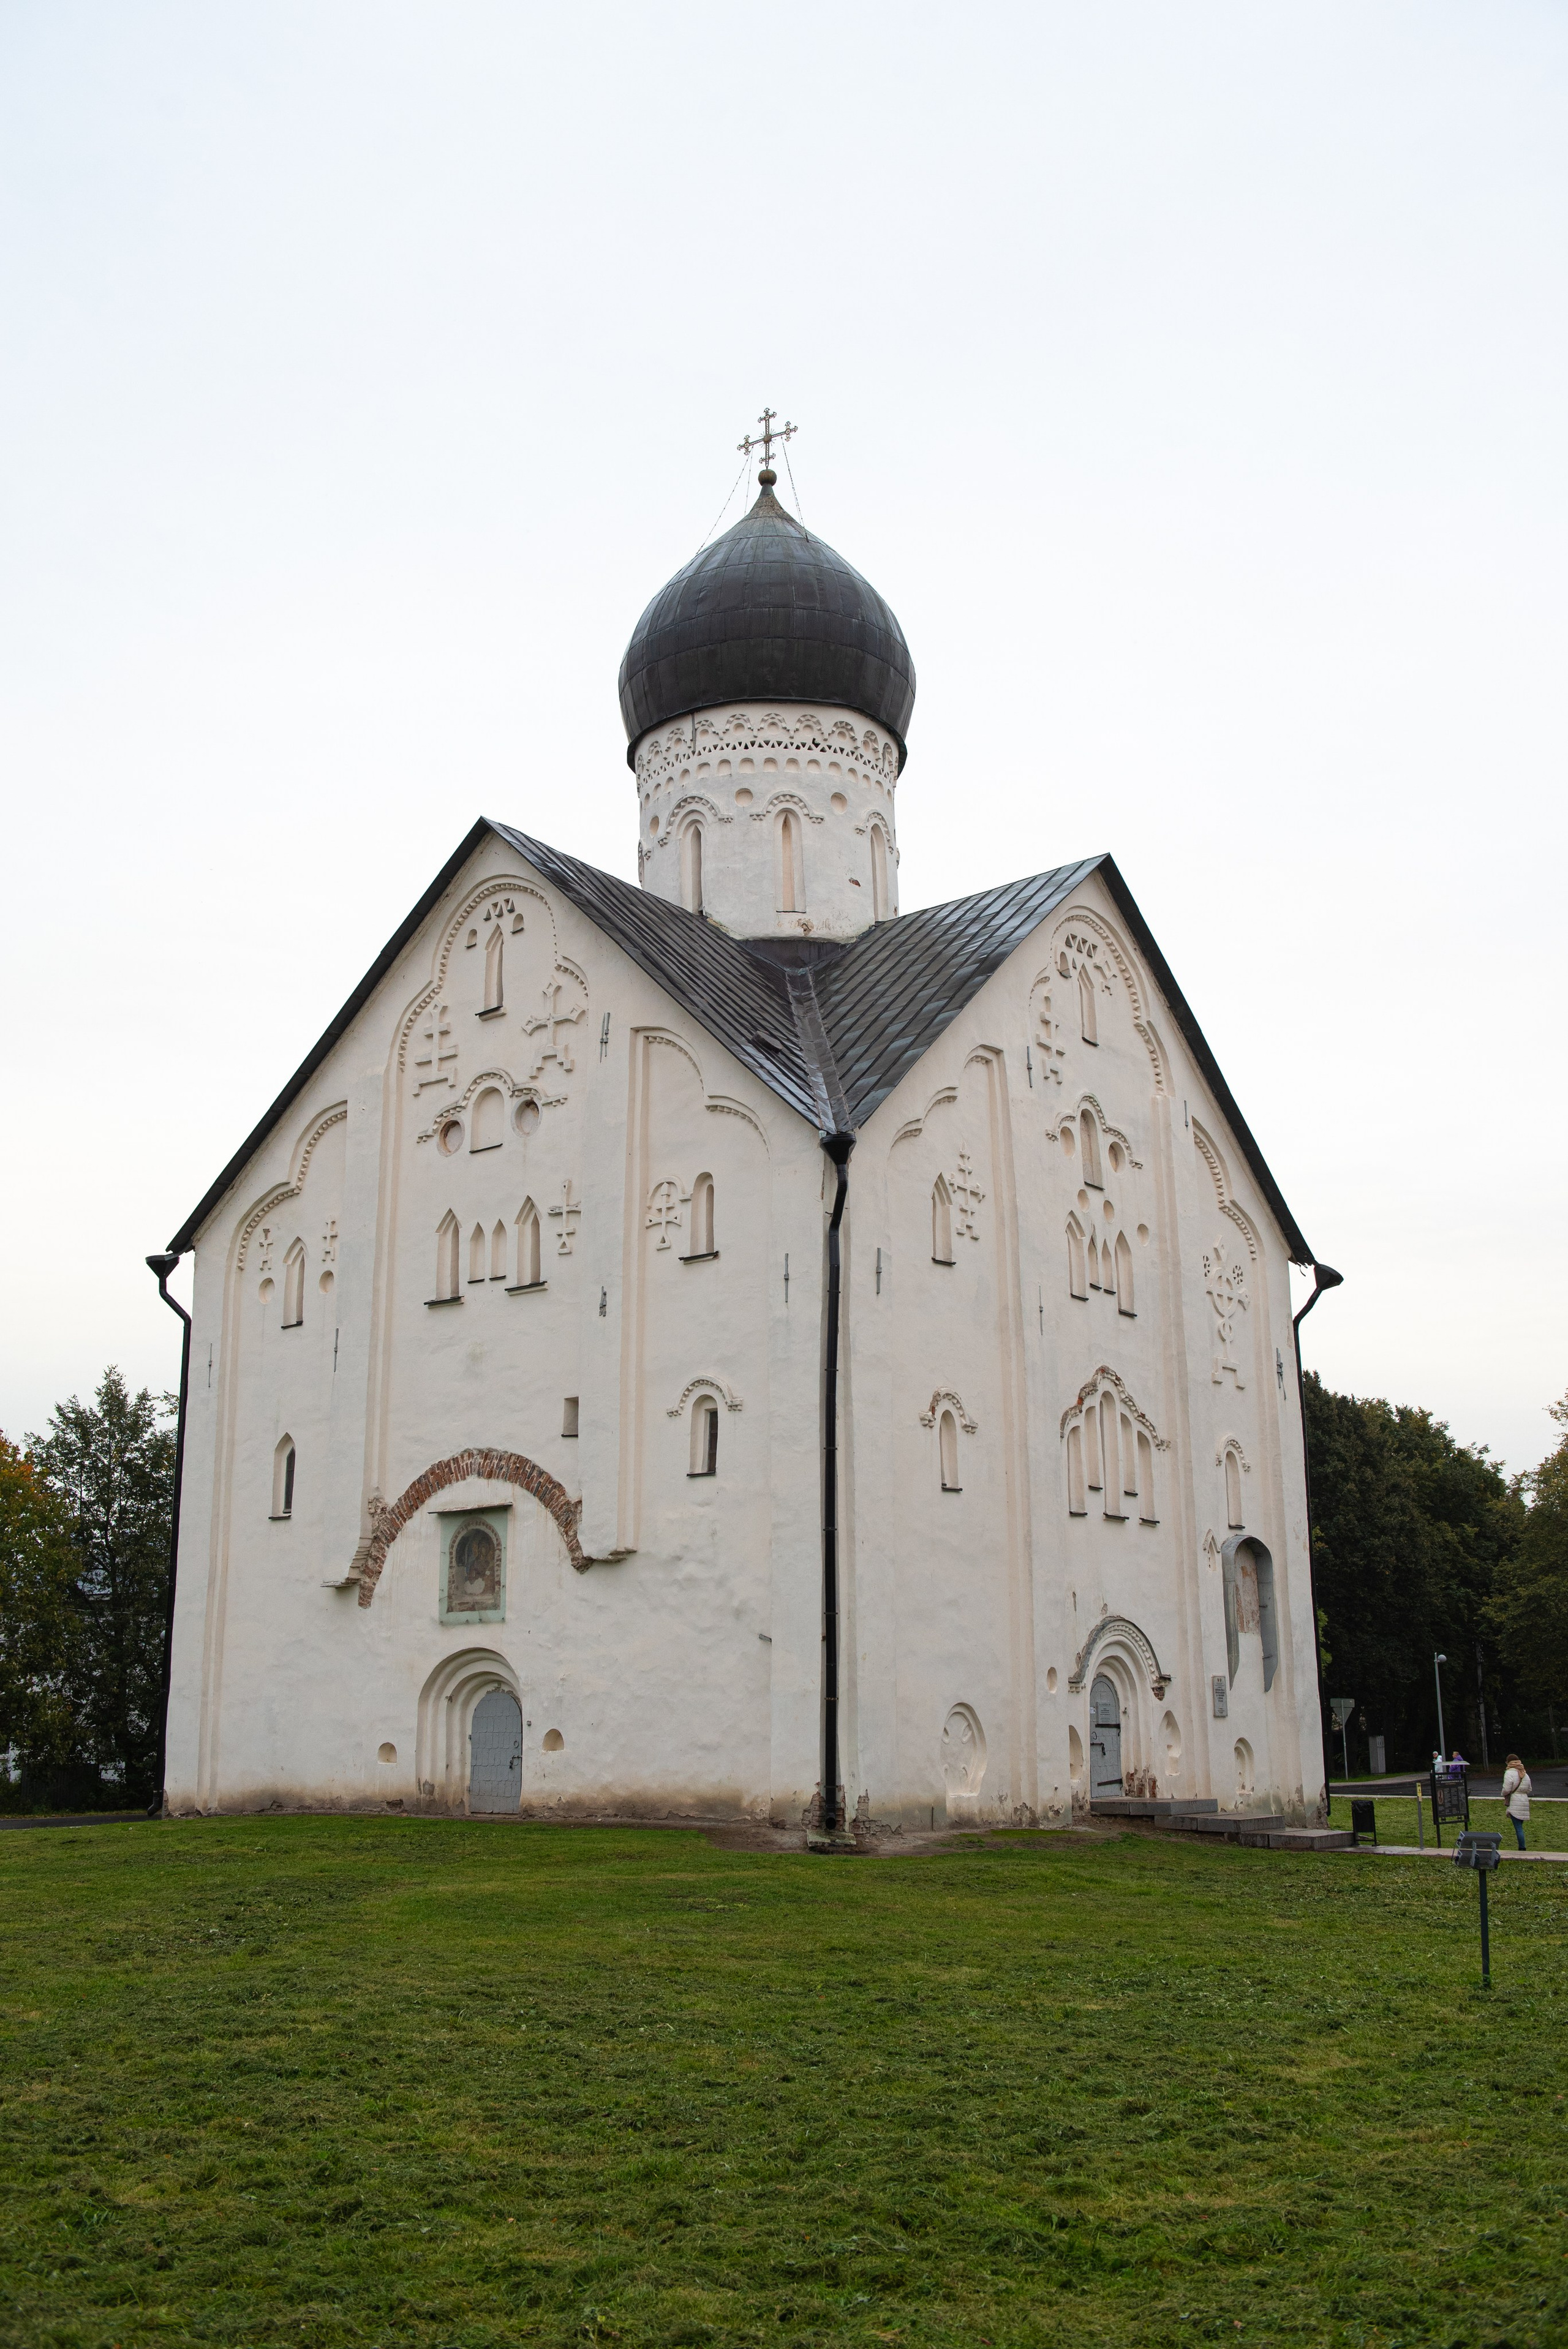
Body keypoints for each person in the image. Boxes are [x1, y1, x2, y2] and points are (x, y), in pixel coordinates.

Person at [1501, 1752, 1532, 1852]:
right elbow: (1529, 1789)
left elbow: (1506, 1789)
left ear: (1508, 1762)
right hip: (1524, 1801)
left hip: (1514, 1800)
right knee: (1520, 1826)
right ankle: (1522, 1846)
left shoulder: (1509, 1773)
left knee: (1518, 1827)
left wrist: (1504, 1794)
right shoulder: (1524, 1773)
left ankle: (1522, 1847)